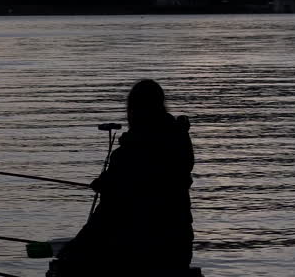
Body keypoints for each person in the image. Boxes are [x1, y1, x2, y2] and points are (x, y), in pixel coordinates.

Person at [49, 79, 194, 276]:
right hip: (178, 249)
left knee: (68, 268)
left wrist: (73, 248)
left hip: (141, 252)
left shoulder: (132, 152)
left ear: (134, 110)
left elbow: (107, 215)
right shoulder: (178, 140)